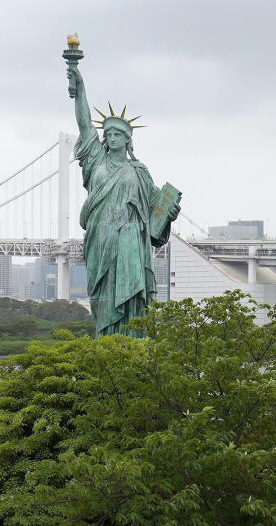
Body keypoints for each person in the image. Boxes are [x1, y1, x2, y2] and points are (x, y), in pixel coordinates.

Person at [66, 63, 180, 336]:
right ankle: (106, 339)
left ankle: (132, 341)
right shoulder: (95, 161)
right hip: (101, 239)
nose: (113, 137)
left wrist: (170, 212)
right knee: (103, 296)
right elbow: (84, 124)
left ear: (128, 140)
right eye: (109, 134)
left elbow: (156, 210)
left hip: (131, 240)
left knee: (133, 302)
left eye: (119, 134)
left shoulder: (138, 171)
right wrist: (79, 86)